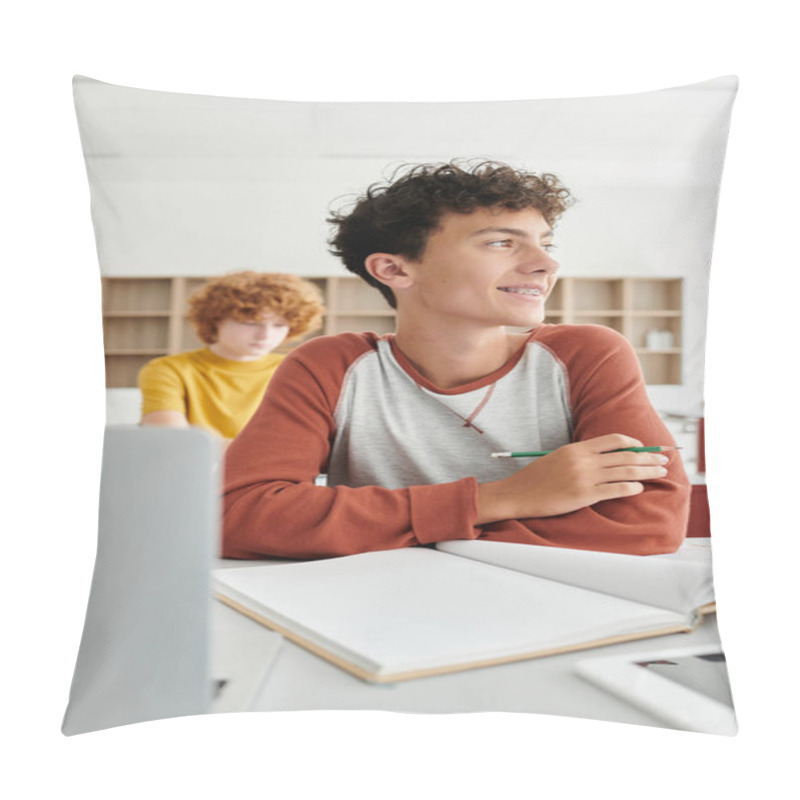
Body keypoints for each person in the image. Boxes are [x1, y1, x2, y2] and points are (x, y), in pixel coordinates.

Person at [222, 161, 690, 559]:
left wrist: (387, 529)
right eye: (501, 242)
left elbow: (648, 523)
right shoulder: (329, 366)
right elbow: (239, 515)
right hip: (377, 610)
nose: (546, 265)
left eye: (545, 244)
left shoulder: (587, 354)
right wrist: (503, 497)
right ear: (395, 269)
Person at [138, 271, 324, 441]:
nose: (265, 335)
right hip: (198, 473)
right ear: (215, 319)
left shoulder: (297, 370)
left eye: (279, 325)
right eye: (251, 323)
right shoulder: (170, 369)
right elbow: (170, 439)